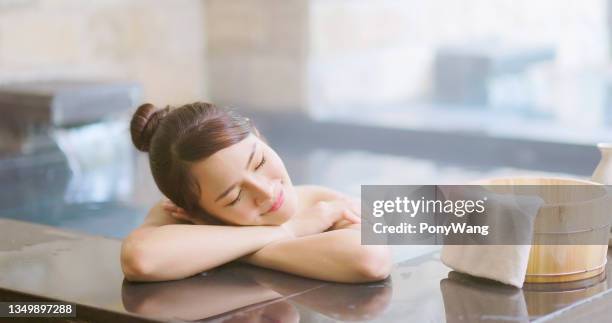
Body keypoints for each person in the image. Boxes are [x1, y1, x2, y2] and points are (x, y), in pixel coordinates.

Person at [120, 102, 392, 283]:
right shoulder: (176, 214)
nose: (266, 192)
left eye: (259, 162)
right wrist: (289, 229)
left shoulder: (323, 202)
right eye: (234, 196)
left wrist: (234, 248)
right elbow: (140, 259)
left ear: (259, 136)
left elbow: (370, 259)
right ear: (195, 211)